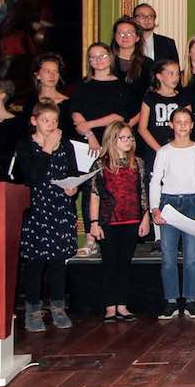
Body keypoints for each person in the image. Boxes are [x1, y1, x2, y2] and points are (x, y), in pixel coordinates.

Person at [13, 101, 80, 332]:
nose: (51, 125)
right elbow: (33, 176)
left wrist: (73, 187)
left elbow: (72, 171)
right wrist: (47, 148)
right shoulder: (25, 146)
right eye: (45, 120)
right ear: (34, 121)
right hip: (37, 209)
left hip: (60, 207)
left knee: (58, 261)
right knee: (36, 262)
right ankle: (33, 310)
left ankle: (58, 307)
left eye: (54, 121)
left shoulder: (66, 145)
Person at [149, 107, 195, 320]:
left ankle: (191, 300)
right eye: (178, 121)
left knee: (192, 257)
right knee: (168, 256)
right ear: (171, 125)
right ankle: (171, 301)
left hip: (193, 203)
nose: (183, 125)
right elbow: (155, 181)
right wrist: (155, 208)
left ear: (192, 125)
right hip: (169, 205)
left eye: (187, 121)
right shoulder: (164, 152)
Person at [88, 120, 149, 322]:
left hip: (131, 219)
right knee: (109, 264)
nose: (128, 141)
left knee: (124, 264)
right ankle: (109, 307)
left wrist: (145, 218)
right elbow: (95, 195)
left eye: (130, 137)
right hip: (109, 220)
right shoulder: (100, 164)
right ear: (112, 140)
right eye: (123, 138)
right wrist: (94, 222)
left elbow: (142, 193)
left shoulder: (138, 163)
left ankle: (122, 305)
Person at [138, 59, 187, 177]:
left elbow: (188, 125)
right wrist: (160, 150)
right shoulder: (150, 97)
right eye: (171, 73)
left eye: (177, 74)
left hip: (178, 150)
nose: (175, 77)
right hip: (155, 151)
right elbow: (142, 128)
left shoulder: (183, 97)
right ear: (159, 76)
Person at [21, 52, 72, 133]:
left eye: (56, 71)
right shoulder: (30, 101)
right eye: (47, 71)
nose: (52, 75)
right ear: (37, 75)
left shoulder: (68, 104)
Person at [111, 16, 152, 102]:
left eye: (129, 33)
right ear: (115, 36)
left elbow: (150, 95)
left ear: (137, 37)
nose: (125, 37)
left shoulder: (148, 64)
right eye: (120, 33)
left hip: (139, 112)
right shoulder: (106, 62)